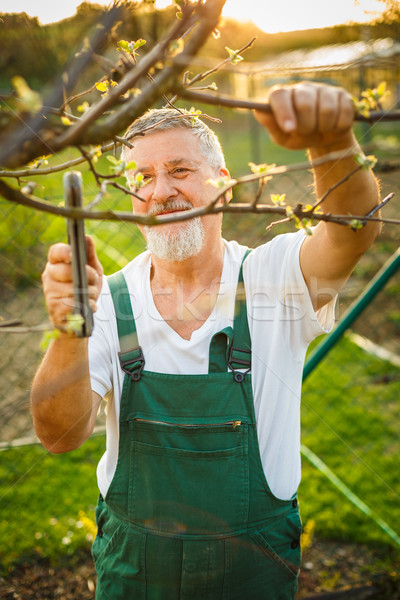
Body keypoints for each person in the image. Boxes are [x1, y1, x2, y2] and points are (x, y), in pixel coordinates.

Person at [31, 82, 380, 599]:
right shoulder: (108, 300)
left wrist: (330, 142)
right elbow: (59, 436)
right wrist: (69, 330)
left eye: (179, 170)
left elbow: (354, 229)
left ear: (225, 183)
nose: (159, 191)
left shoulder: (274, 277)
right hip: (134, 573)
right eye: (142, 177)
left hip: (253, 572)